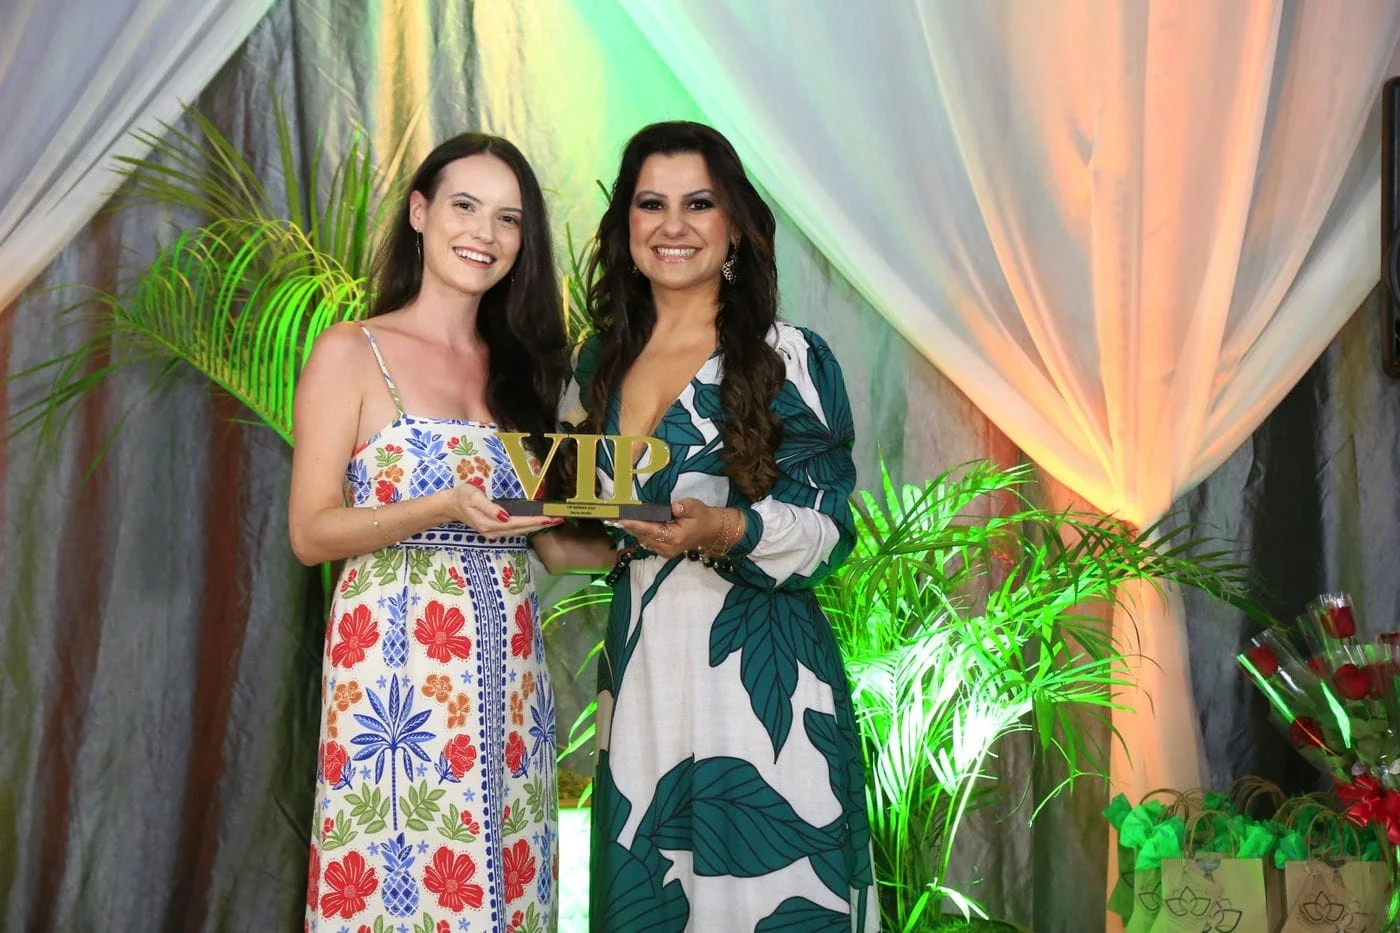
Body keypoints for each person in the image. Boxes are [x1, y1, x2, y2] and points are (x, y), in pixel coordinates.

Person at [560, 121, 876, 931]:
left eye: (698, 203)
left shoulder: (791, 357)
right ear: (626, 224)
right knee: (652, 893)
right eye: (651, 204)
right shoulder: (597, 363)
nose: (673, 225)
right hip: (642, 675)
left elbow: (830, 530)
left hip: (758, 683)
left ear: (735, 224)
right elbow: (602, 528)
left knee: (769, 898)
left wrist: (728, 528)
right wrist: (534, 530)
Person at [288, 132, 607, 931]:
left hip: (510, 678)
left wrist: (652, 537)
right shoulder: (352, 351)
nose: (484, 234)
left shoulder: (529, 370)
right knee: (401, 884)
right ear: (420, 213)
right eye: (465, 206)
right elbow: (310, 531)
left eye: (509, 218)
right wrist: (438, 506)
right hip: (395, 681)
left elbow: (552, 543)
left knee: (504, 886)